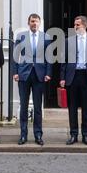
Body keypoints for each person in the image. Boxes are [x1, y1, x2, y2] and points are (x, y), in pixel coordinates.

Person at [60, 16, 87, 146]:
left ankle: (85, 135)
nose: (75, 27)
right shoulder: (68, 41)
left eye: (77, 24)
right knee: (72, 108)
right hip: (72, 76)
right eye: (75, 24)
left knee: (86, 109)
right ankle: (73, 135)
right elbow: (63, 61)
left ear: (85, 25)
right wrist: (62, 78)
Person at [13, 13, 53, 146]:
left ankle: (38, 135)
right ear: (28, 23)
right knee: (23, 106)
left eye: (36, 22)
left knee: (37, 107)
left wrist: (48, 73)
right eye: (32, 21)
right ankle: (23, 135)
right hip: (24, 74)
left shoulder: (46, 37)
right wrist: (15, 72)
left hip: (39, 75)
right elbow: (15, 56)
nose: (34, 24)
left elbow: (49, 57)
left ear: (39, 23)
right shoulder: (21, 36)